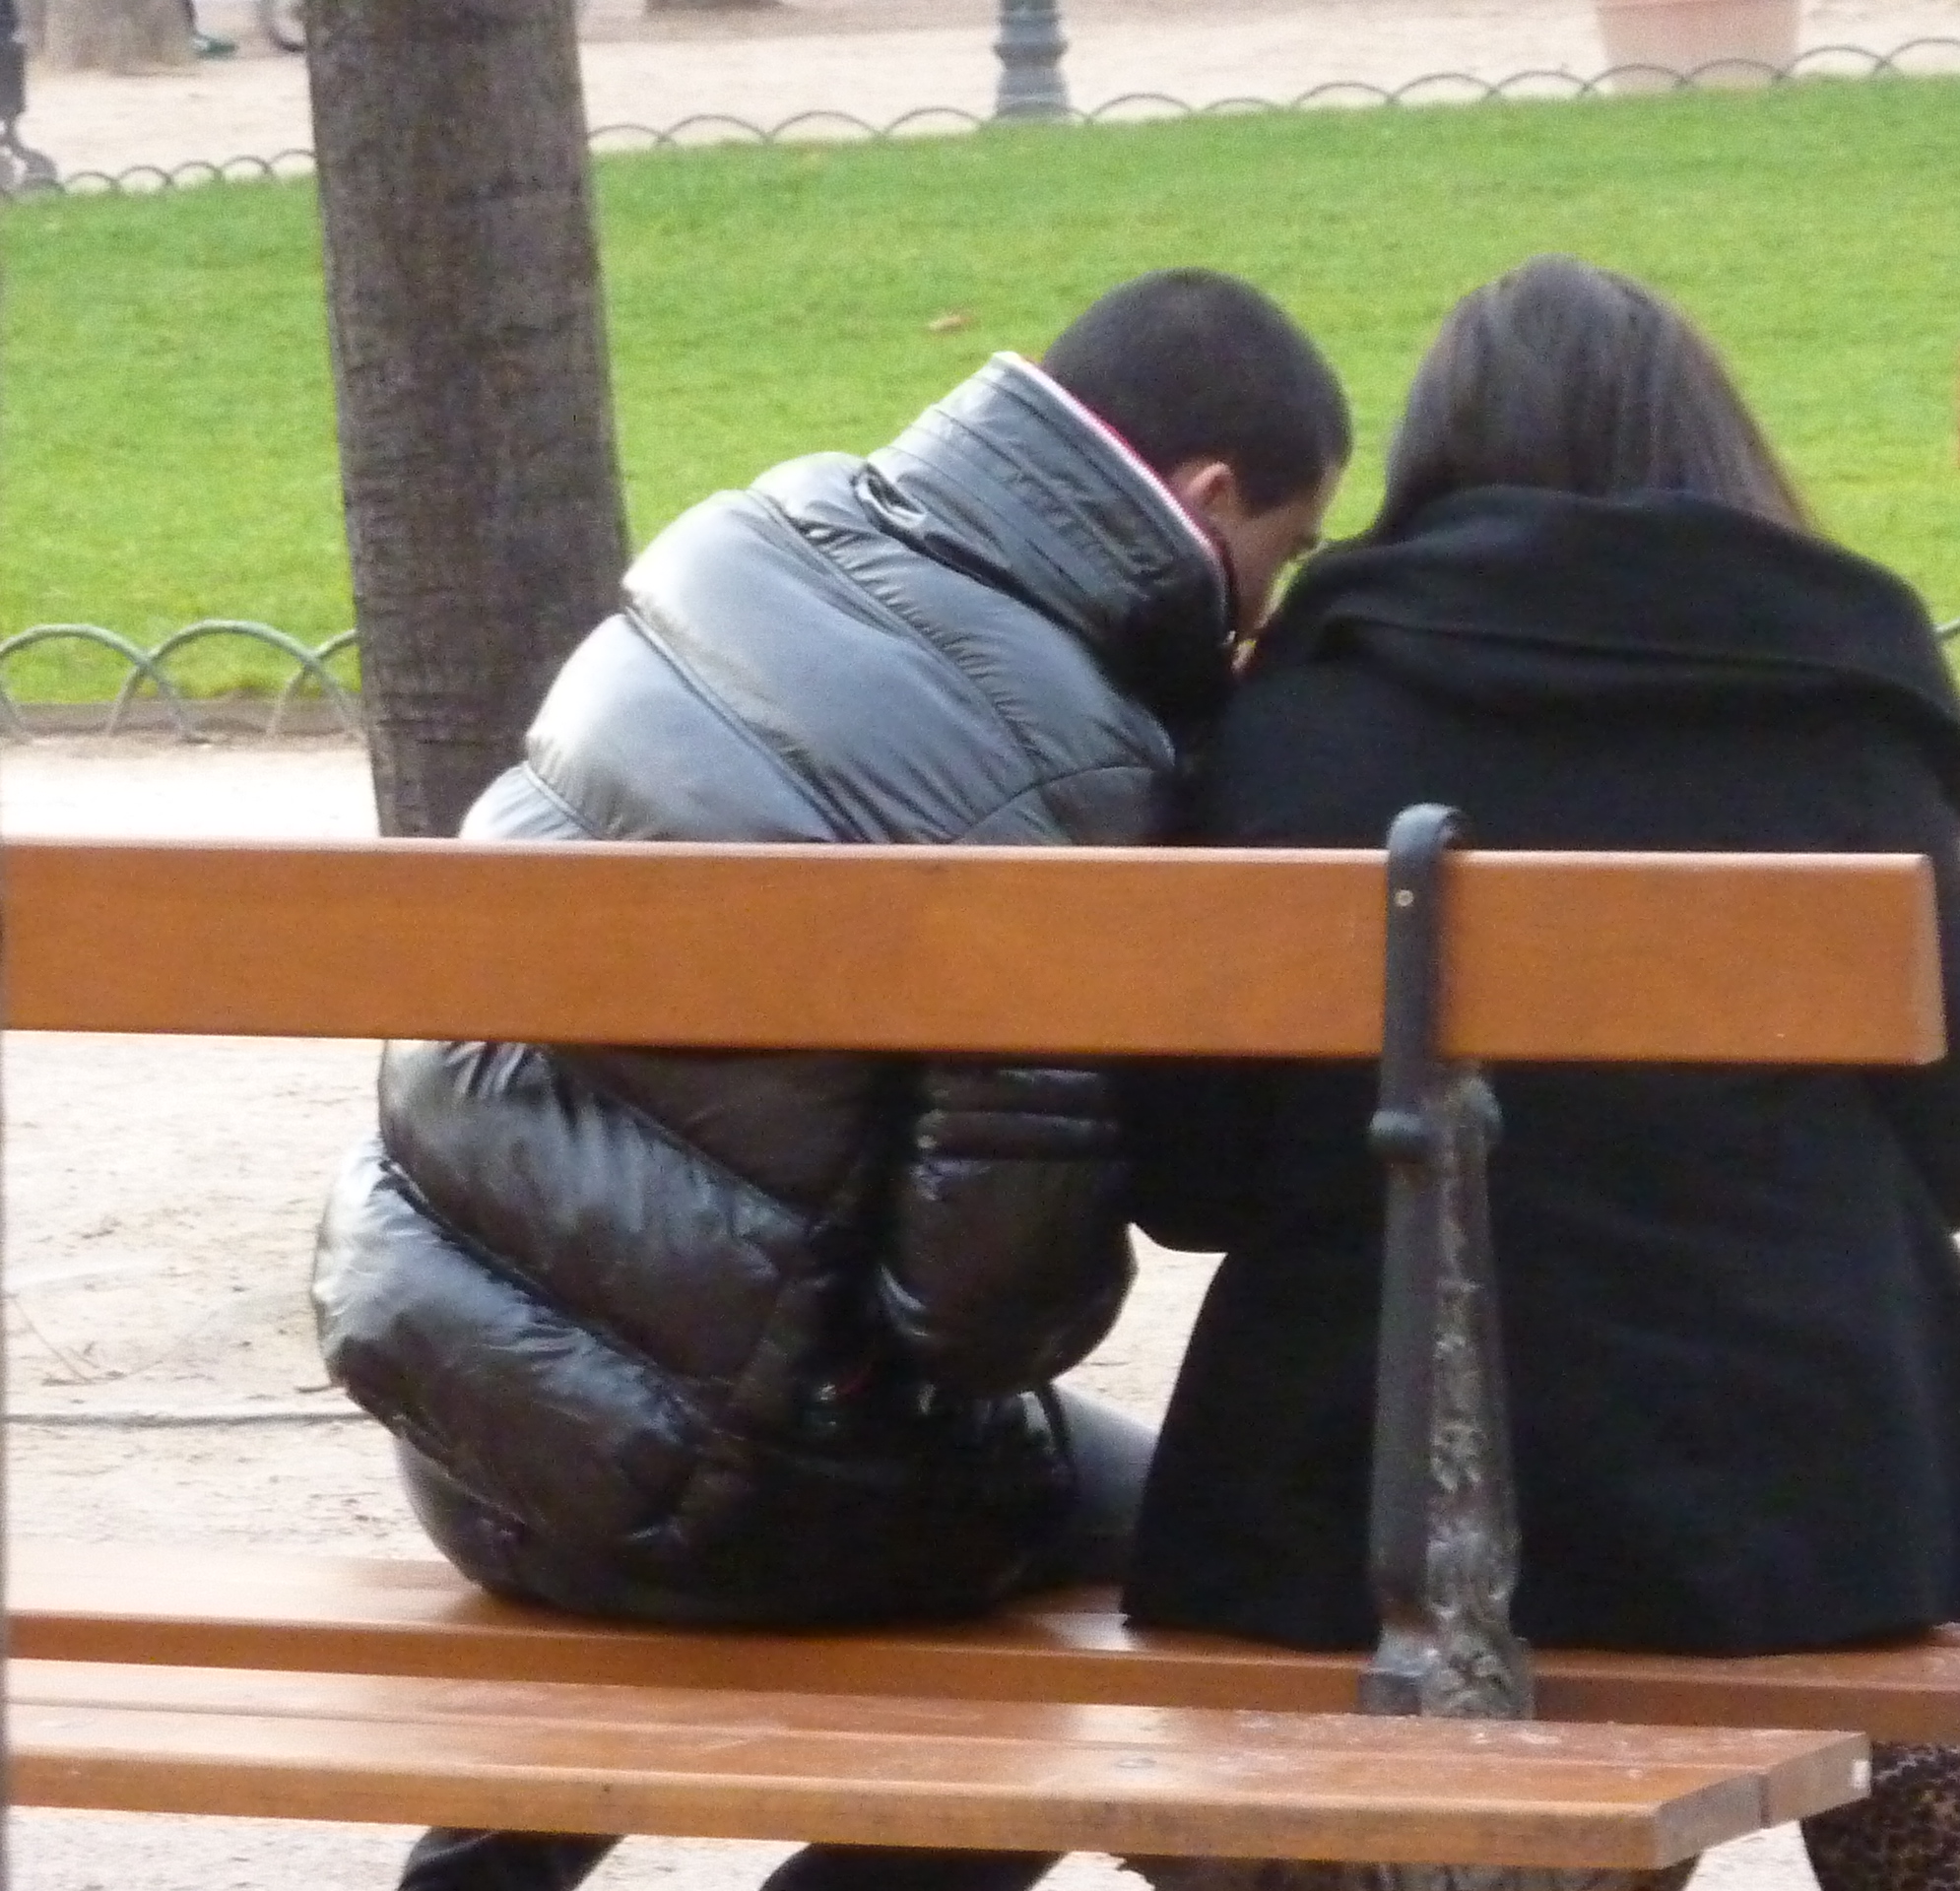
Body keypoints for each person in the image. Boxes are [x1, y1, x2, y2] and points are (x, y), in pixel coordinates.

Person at [310, 268, 1348, 1891]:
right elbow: (985, 1321)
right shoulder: (1072, 767)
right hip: (719, 1498)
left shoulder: (754, 532)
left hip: (468, 1421)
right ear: (1209, 496)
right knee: (1178, 1566)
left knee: (700, 1380)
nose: (1253, 623)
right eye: (1271, 564)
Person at [1120, 257, 1960, 1890]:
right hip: (1796, 1503)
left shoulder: (1297, 712)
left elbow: (1196, 1188)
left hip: (1351, 1509)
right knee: (1921, 1660)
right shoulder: (1841, 698)